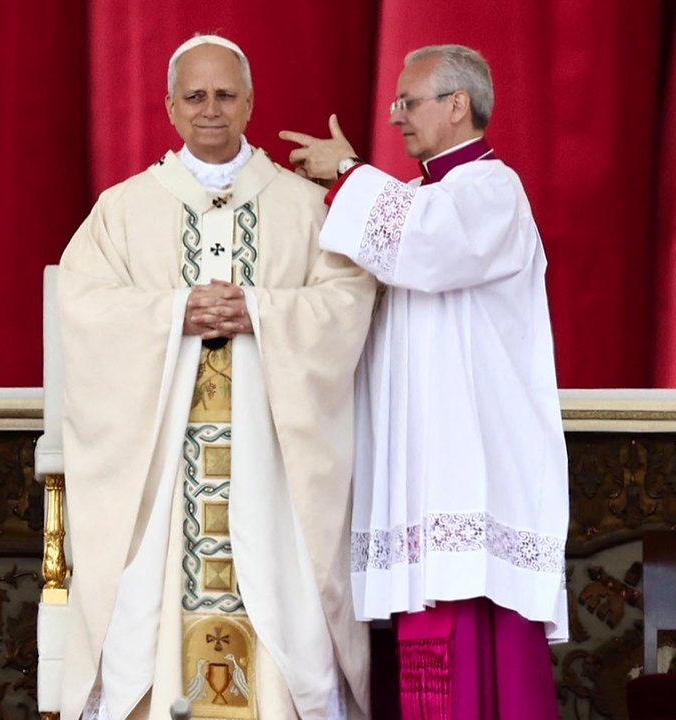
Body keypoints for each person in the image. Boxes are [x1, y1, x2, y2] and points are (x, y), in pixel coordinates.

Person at [56, 34, 375, 720]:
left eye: (225, 95)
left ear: (250, 102)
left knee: (285, 610)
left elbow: (349, 299)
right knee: (152, 608)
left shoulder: (303, 205)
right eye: (194, 97)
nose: (210, 110)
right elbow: (82, 306)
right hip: (165, 470)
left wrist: (261, 312)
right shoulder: (125, 208)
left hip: (274, 463)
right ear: (169, 107)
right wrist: (176, 312)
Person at [281, 44, 568, 718]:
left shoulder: (494, 191)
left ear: (458, 105)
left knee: (478, 656)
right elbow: (388, 241)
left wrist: (348, 173)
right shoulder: (412, 196)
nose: (395, 116)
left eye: (408, 103)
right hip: (415, 471)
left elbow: (428, 249)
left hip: (472, 471)